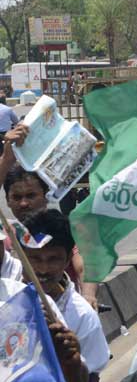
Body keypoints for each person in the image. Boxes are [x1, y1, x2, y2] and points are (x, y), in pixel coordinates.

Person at [1, 124, 97, 306]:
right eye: (17, 197)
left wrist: (89, 295)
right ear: (7, 200)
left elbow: (86, 265)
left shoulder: (65, 230)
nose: (23, 203)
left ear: (46, 195)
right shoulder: (5, 237)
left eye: (31, 195)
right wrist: (6, 158)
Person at [21, 210, 110, 378]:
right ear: (21, 255)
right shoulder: (6, 296)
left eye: (53, 259)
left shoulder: (83, 316)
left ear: (68, 258)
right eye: (35, 259)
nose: (43, 269)